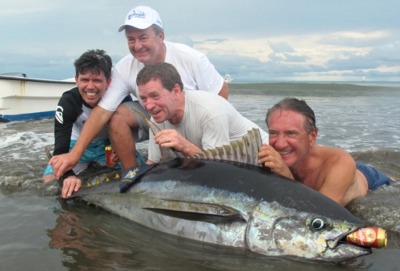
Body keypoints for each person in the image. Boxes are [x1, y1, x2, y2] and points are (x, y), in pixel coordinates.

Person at [49, 5, 229, 179]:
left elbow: (220, 93)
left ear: (161, 36)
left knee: (209, 168)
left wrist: (205, 133)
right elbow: (102, 112)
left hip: (192, 120)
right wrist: (74, 155)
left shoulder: (192, 58)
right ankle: (133, 175)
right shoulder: (124, 68)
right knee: (117, 115)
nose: (137, 46)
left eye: (143, 38)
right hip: (156, 117)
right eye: (131, 39)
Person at [258, 97, 392, 206]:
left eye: (291, 133)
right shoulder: (267, 157)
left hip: (369, 179)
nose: (280, 144)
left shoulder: (340, 163)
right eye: (273, 133)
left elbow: (320, 214)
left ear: (312, 136)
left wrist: (287, 178)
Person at [136, 62, 268, 164]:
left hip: (262, 161)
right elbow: (153, 162)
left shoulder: (210, 111)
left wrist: (184, 146)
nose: (149, 105)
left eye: (155, 96)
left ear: (176, 91)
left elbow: (219, 169)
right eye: (143, 98)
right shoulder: (158, 116)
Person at [42, 49, 131, 198]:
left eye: (97, 80)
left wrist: (118, 147)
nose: (90, 87)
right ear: (76, 80)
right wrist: (68, 175)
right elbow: (60, 149)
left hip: (108, 147)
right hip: (76, 146)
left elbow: (132, 131)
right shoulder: (68, 102)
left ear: (108, 82)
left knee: (136, 172)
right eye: (84, 80)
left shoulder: (122, 99)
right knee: (49, 182)